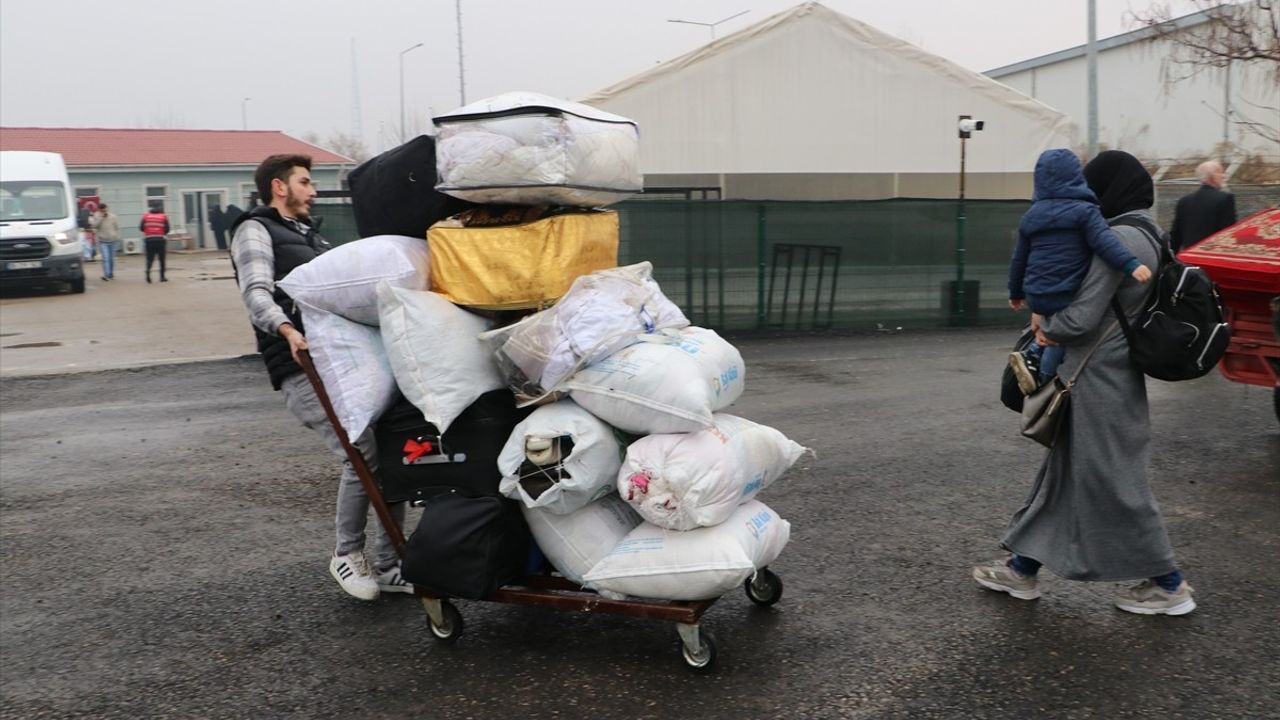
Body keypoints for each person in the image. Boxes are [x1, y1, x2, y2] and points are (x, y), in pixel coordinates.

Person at [973, 149, 1196, 616]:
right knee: (1066, 476)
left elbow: (1082, 317)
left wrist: (1045, 328)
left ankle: (1170, 584)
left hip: (1099, 379)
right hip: (1101, 376)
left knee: (1115, 481)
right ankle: (1022, 569)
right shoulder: (1148, 232)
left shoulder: (1122, 239)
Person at [228, 153, 409, 602]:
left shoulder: (311, 237)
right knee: (360, 451)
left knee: (389, 451)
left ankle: (389, 565)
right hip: (299, 365)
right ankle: (347, 554)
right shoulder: (255, 230)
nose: (313, 191)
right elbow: (255, 292)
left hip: (340, 363)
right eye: (305, 182)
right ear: (278, 186)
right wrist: (286, 329)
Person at [1006, 148, 1152, 392]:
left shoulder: (1031, 216)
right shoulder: (1086, 213)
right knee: (1055, 341)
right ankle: (1043, 376)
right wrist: (1132, 265)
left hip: (1036, 292)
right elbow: (1106, 244)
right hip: (1067, 291)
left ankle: (1032, 353)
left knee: (1047, 324)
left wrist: (1016, 292)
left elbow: (1018, 259)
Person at [1169, 160, 1237, 252]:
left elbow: (1176, 236)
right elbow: (1228, 233)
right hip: (1211, 257)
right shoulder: (1225, 199)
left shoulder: (1184, 201)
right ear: (1212, 176)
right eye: (1221, 172)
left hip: (1189, 257)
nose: (1224, 176)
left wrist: (1173, 260)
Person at [139, 202, 170, 283]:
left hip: (149, 240)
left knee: (149, 259)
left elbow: (141, 228)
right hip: (160, 240)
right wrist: (161, 232)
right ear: (159, 210)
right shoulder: (163, 217)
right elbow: (167, 229)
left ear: (151, 209)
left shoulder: (146, 216)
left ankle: (148, 273)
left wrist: (149, 231)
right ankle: (162, 277)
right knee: (162, 259)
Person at [91, 203, 121, 281]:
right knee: (105, 258)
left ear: (107, 208)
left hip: (112, 240)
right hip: (103, 241)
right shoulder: (96, 215)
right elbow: (94, 226)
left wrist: (117, 236)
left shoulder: (113, 216)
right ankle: (106, 274)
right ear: (99, 210)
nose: (104, 211)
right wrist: (101, 218)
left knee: (111, 259)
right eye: (102, 210)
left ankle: (111, 274)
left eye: (105, 209)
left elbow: (117, 227)